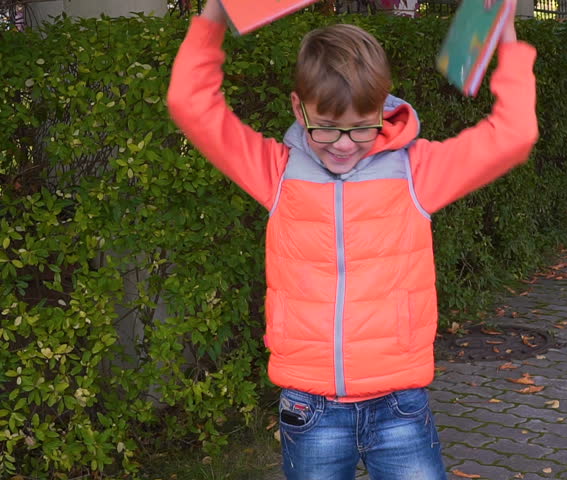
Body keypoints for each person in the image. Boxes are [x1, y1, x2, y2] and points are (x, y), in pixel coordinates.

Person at [167, 0, 537, 478]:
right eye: (327, 127)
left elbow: (515, 133)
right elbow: (190, 104)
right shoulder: (275, 173)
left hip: (398, 405)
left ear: (383, 108)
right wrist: (216, 12)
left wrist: (504, 36)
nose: (343, 144)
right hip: (310, 408)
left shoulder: (415, 173)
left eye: (362, 127)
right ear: (298, 108)